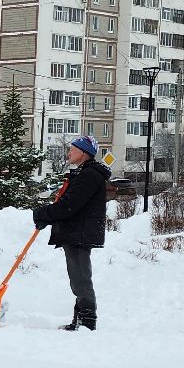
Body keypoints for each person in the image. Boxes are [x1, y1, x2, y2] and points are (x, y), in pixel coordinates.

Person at [31, 134, 110, 331]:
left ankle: (87, 322)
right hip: (76, 232)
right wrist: (46, 216)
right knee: (77, 278)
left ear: (84, 153)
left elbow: (69, 206)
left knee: (80, 278)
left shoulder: (89, 175)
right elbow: (67, 205)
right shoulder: (84, 174)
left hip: (80, 233)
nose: (69, 152)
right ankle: (80, 321)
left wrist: (43, 214)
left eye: (73, 149)